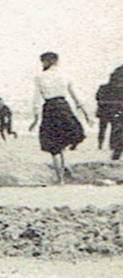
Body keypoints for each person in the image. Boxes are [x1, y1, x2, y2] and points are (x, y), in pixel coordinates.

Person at [29, 51, 90, 181]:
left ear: (46, 62)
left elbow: (36, 100)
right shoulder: (65, 76)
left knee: (53, 146)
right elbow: (76, 97)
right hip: (64, 107)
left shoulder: (40, 77)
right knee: (73, 135)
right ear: (56, 61)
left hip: (50, 109)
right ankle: (64, 166)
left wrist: (35, 119)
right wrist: (86, 115)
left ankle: (60, 178)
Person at [96, 66, 123, 159]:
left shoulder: (103, 87)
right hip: (115, 111)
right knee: (115, 129)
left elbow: (98, 97)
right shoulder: (120, 88)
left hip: (104, 111)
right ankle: (112, 146)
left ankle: (100, 144)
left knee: (102, 129)